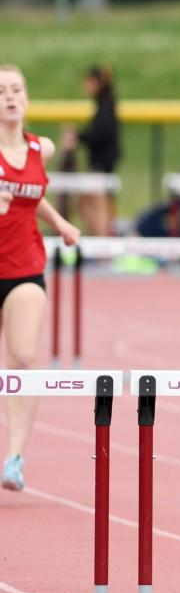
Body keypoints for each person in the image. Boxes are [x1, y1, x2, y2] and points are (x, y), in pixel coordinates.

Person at [0, 65, 81, 490]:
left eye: (16, 90)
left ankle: (14, 457)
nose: (10, 97)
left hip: (24, 267)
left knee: (24, 357)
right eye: (1, 92)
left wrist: (62, 223)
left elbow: (35, 195)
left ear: (27, 99)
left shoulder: (39, 148)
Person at [74, 64, 121, 236]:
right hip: (100, 164)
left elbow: (100, 133)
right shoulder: (105, 103)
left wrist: (78, 137)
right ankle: (100, 242)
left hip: (101, 166)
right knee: (84, 203)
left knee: (97, 206)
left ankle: (103, 247)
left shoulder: (106, 105)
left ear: (96, 82)